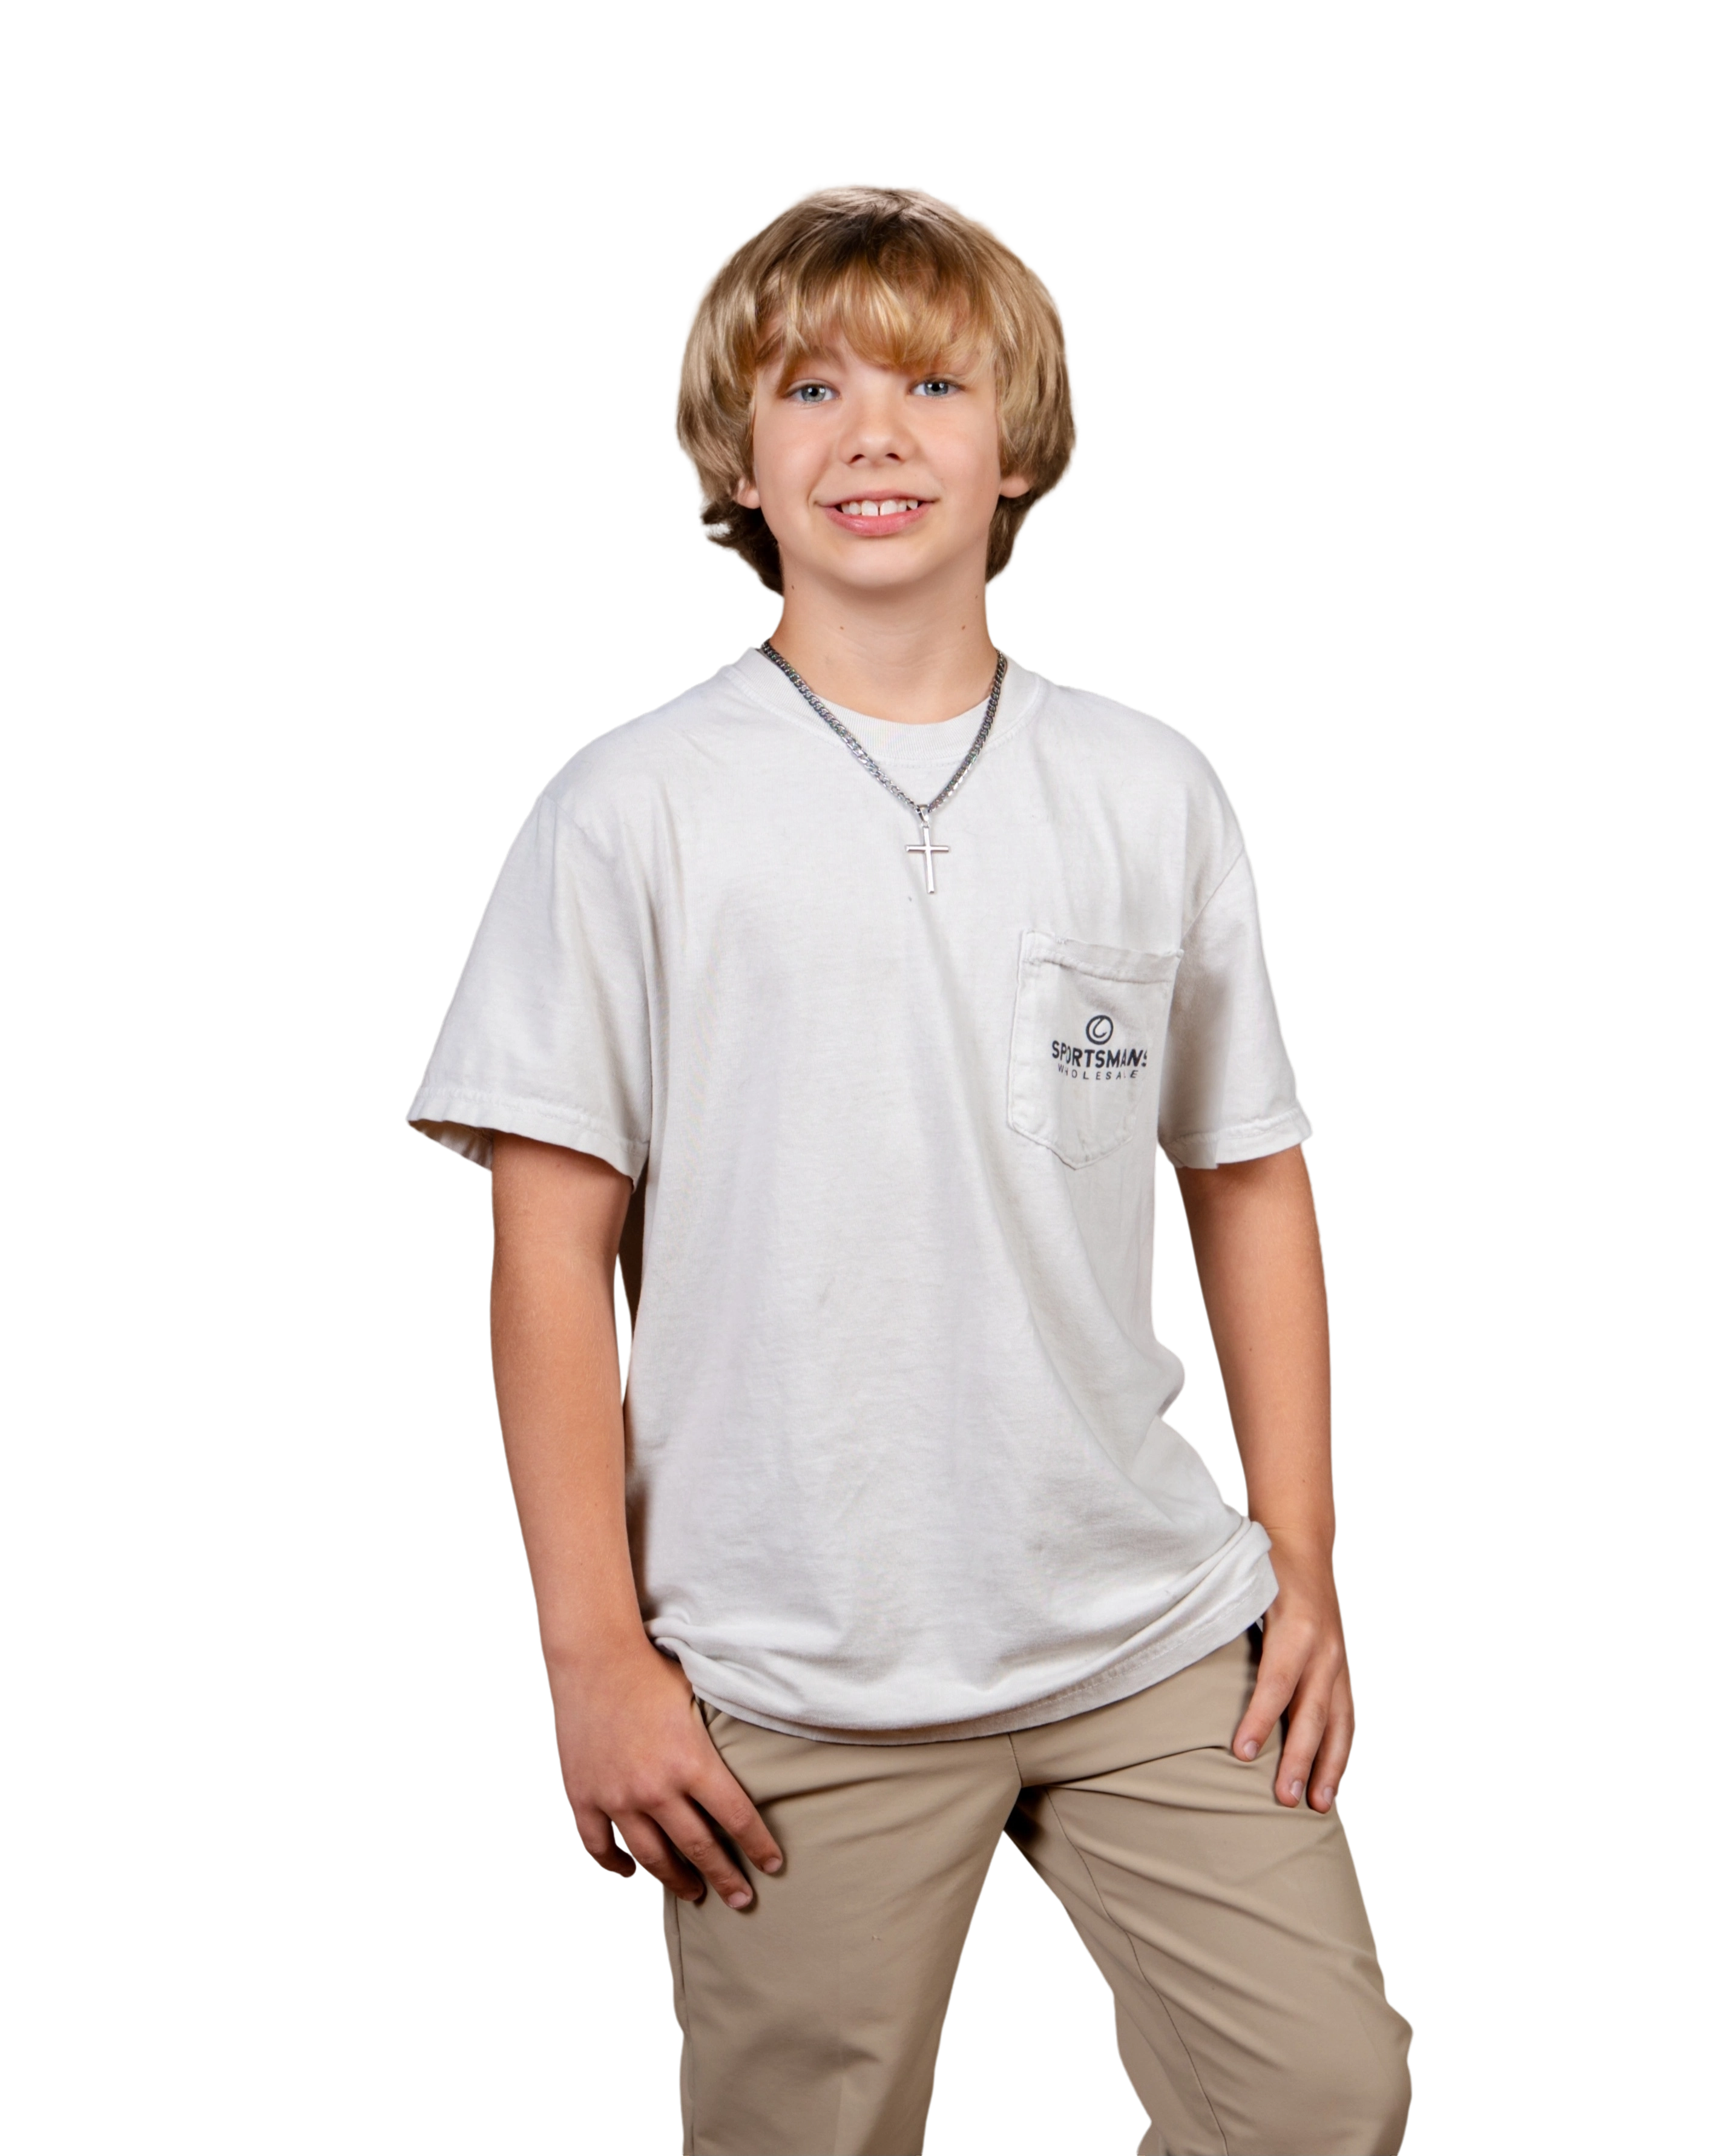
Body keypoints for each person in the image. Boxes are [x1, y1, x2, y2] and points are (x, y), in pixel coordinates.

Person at [404, 179, 1416, 2156]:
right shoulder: (632, 810)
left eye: (933, 384)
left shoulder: (1147, 789)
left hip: (1144, 1622)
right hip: (798, 1657)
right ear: (738, 460)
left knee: (1324, 2091)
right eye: (811, 391)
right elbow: (547, 1264)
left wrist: (1302, 1561)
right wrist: (596, 1658)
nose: (873, 433)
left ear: (1015, 443)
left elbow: (1248, 1182)